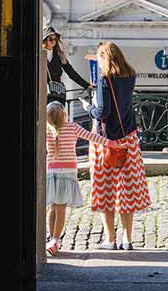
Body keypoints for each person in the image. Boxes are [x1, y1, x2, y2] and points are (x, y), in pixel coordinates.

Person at [83, 42, 151, 250]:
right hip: (129, 140)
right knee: (126, 191)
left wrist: (89, 108)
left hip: (106, 143)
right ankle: (128, 239)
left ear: (104, 58)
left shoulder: (105, 80)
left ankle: (110, 240)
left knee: (106, 191)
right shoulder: (130, 75)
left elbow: (102, 112)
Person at [45, 101, 125, 256]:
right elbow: (93, 137)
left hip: (51, 172)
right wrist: (113, 144)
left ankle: (51, 237)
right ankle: (55, 240)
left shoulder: (46, 130)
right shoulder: (72, 127)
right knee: (61, 208)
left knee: (53, 207)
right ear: (65, 115)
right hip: (67, 173)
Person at [44, 26, 90, 106]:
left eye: (55, 39)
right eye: (50, 39)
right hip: (43, 93)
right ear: (44, 41)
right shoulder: (40, 54)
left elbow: (71, 72)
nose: (53, 41)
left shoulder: (59, 55)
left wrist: (86, 85)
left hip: (57, 92)